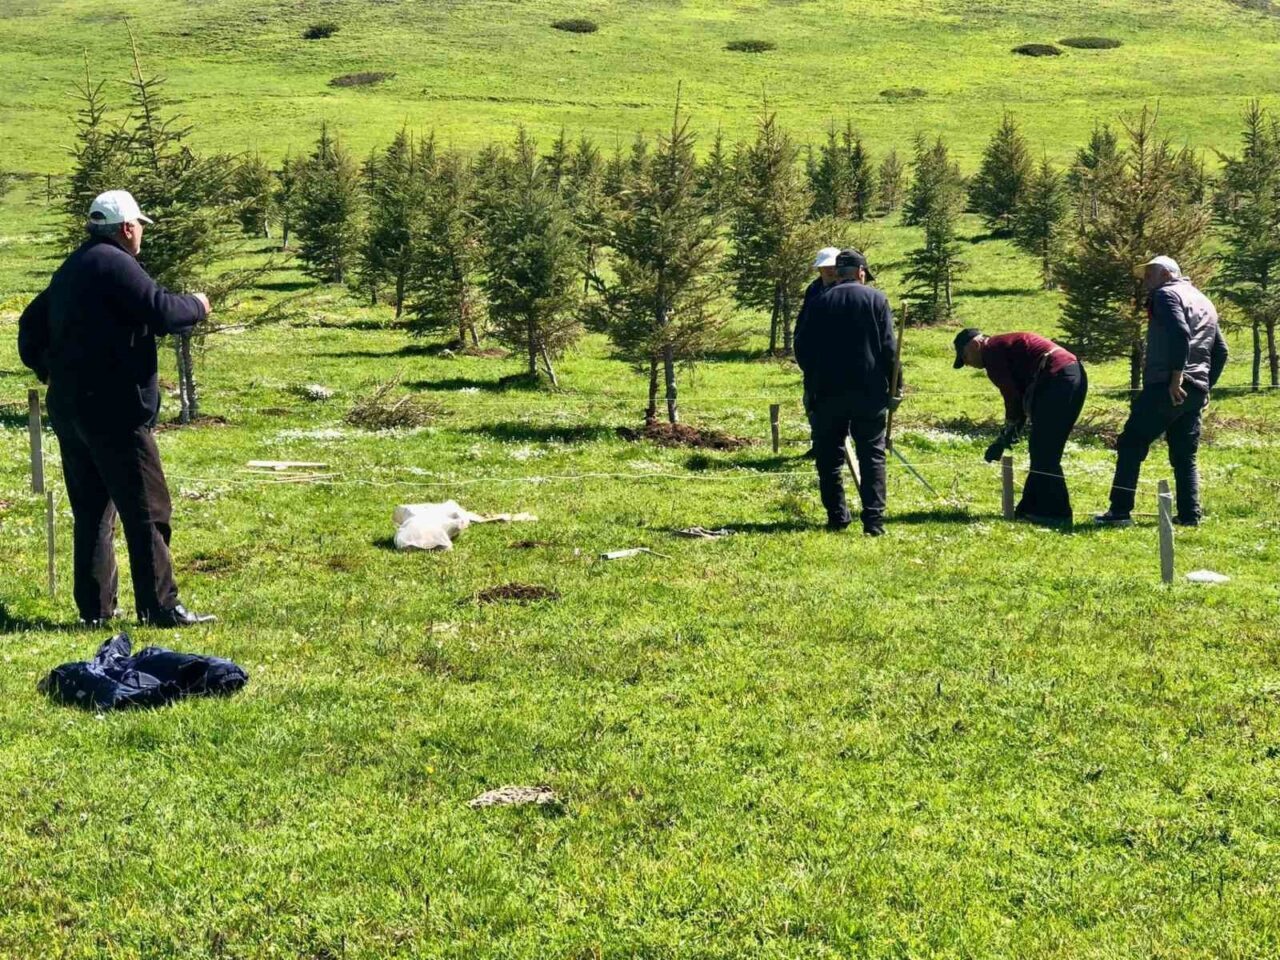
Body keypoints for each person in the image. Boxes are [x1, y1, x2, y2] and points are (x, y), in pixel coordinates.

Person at [18, 190, 217, 627]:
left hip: (72, 411)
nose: (142, 232)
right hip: (116, 413)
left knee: (92, 513)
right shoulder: (114, 263)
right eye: (139, 225)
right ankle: (160, 607)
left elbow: (28, 324)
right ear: (127, 228)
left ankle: (95, 609)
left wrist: (47, 369)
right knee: (147, 509)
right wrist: (198, 306)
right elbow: (162, 310)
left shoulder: (73, 267)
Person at [1095, 256, 1229, 527]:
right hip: (1194, 389)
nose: (1145, 282)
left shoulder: (1165, 295)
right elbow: (1221, 351)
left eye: (1149, 275)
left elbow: (1180, 333)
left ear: (1167, 274)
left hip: (1167, 385)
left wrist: (1176, 378)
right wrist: (1205, 388)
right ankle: (1190, 516)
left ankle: (1119, 512)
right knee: (1184, 455)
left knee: (1131, 442)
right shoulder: (1204, 300)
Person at [794, 249, 897, 535]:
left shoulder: (818, 301)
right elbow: (890, 350)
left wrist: (813, 377)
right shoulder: (876, 299)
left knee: (829, 458)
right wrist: (895, 386)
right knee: (872, 456)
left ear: (838, 273)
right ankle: (874, 522)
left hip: (826, 392)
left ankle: (837, 517)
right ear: (861, 272)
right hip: (869, 392)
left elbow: (802, 347)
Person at [953, 328, 1088, 525]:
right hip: (1070, 374)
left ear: (975, 344)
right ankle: (1031, 509)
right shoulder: (1001, 348)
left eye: (964, 356)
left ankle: (1057, 514)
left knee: (1044, 450)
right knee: (1043, 449)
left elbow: (1012, 398)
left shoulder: (992, 351)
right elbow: (1021, 398)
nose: (966, 363)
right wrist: (1007, 435)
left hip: (1058, 378)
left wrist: (1004, 437)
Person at [796, 247, 842, 458]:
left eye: (833, 267)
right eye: (825, 268)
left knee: (840, 404)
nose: (829, 271)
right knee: (813, 402)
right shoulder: (813, 290)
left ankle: (841, 448)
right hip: (815, 359)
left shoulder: (844, 290)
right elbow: (804, 321)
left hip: (839, 358)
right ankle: (819, 445)